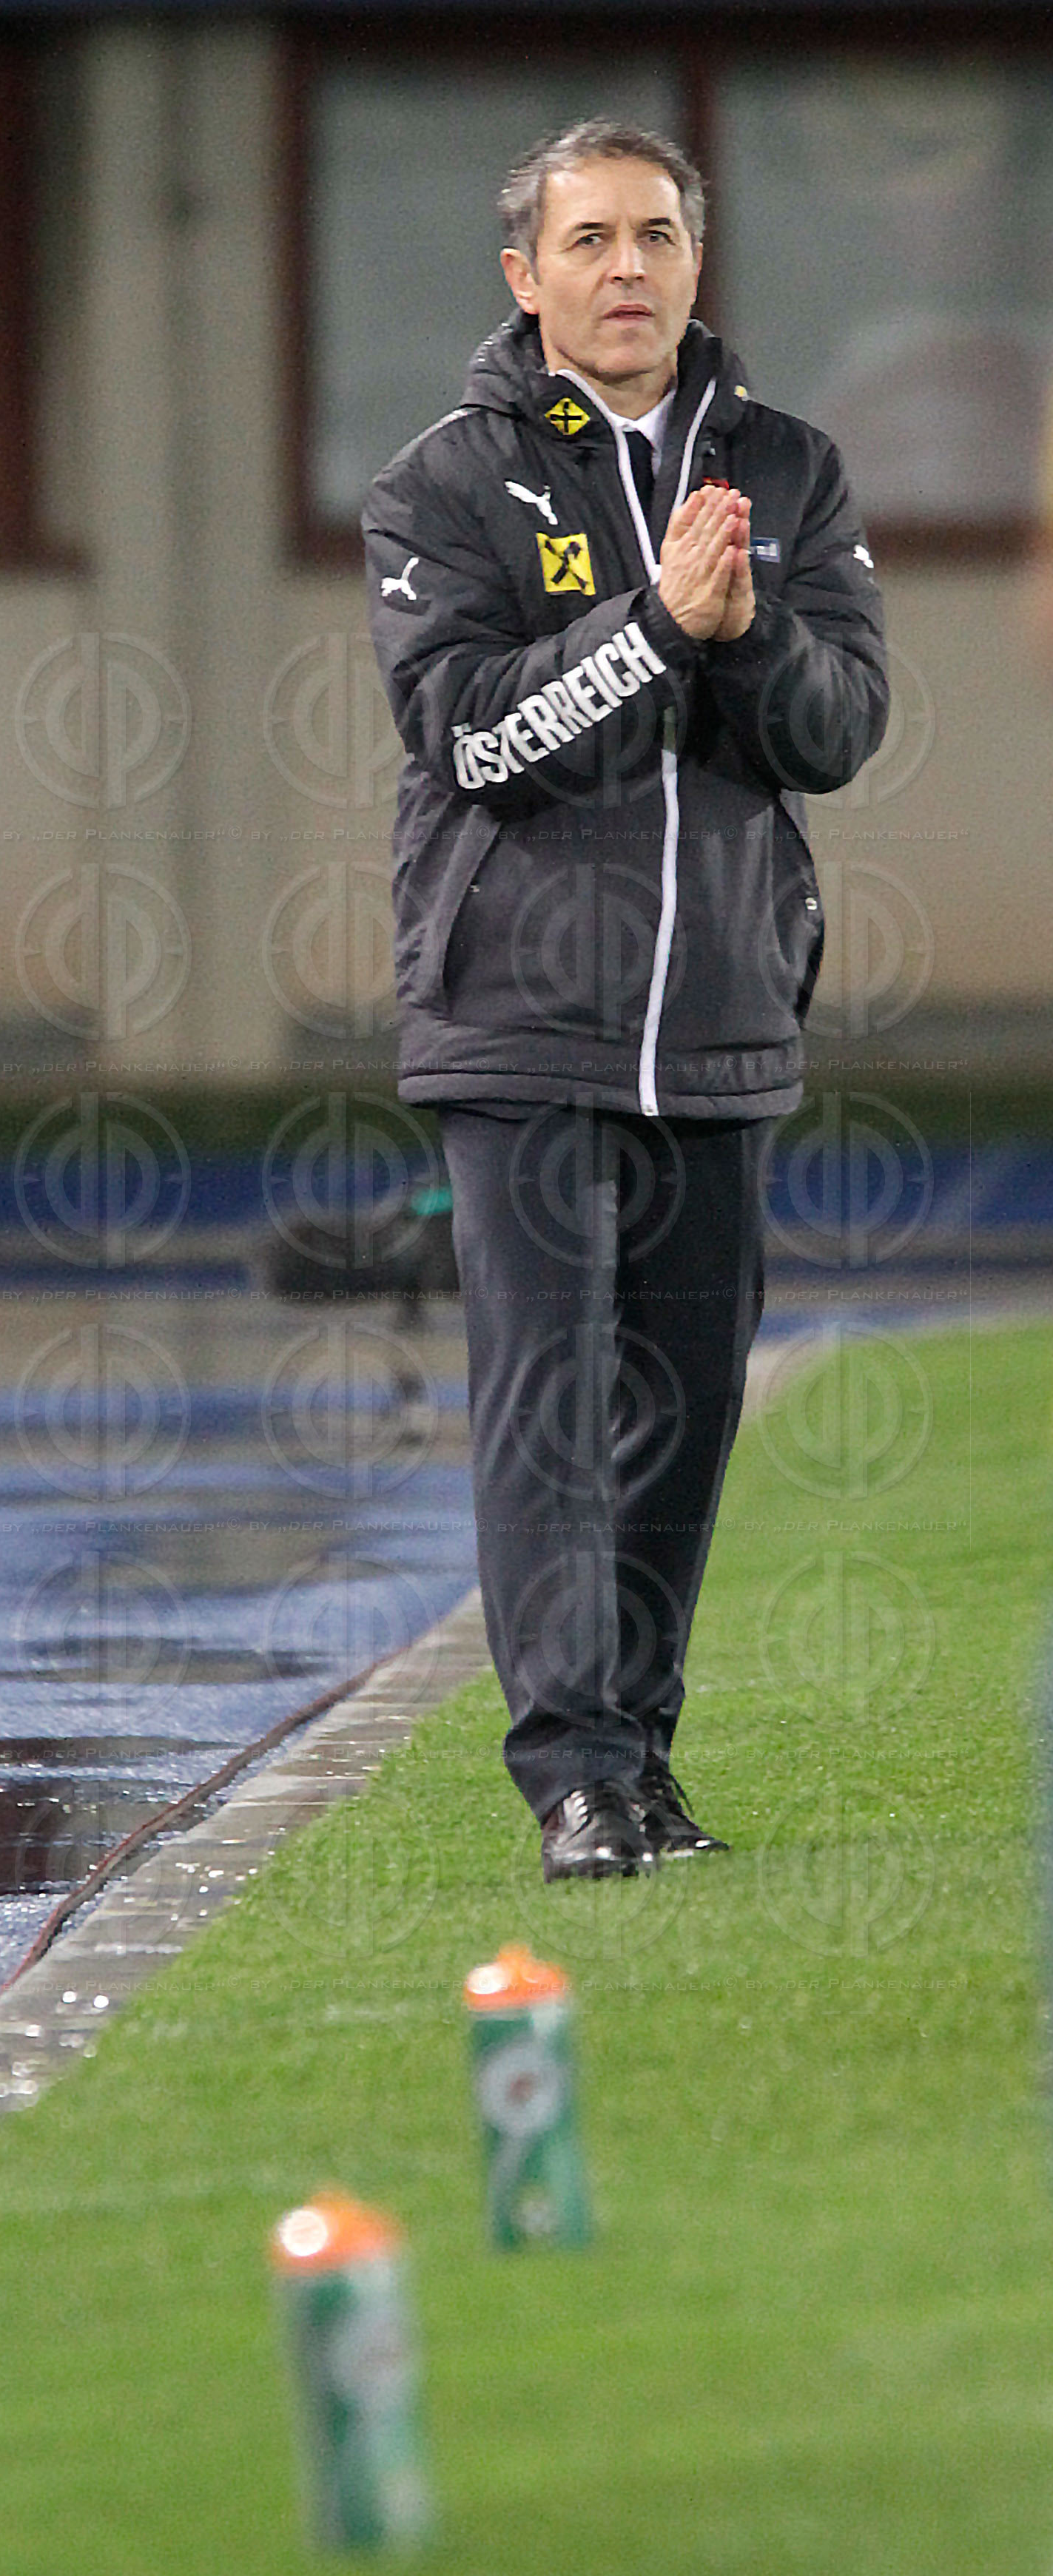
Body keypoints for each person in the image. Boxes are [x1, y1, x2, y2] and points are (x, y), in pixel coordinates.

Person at [363, 119, 889, 1881]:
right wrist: (657, 628)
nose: (626, 269)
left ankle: (643, 1762)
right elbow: (477, 736)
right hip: (518, 1029)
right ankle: (572, 1777)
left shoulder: (789, 471)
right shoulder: (443, 487)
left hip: (728, 1027)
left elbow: (837, 734)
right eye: (588, 240)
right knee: (549, 1417)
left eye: (655, 236)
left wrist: (745, 637)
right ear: (526, 276)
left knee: (680, 1422)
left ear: (693, 259)